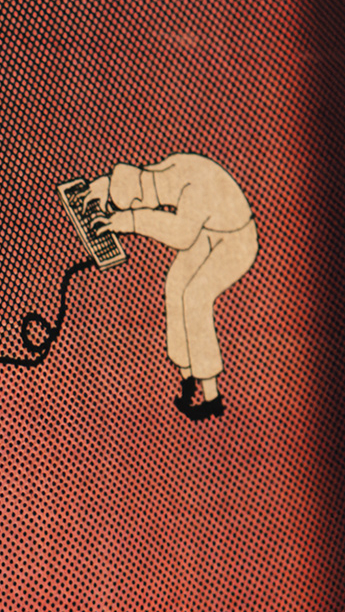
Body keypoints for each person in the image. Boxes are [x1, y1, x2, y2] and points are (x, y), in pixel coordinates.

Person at [61, 155, 257, 418]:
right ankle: (187, 377)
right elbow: (138, 179)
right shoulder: (162, 172)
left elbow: (181, 235)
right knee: (175, 286)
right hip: (207, 229)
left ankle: (212, 397)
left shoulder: (193, 191)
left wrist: (127, 221)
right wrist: (106, 185)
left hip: (235, 240)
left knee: (196, 296)